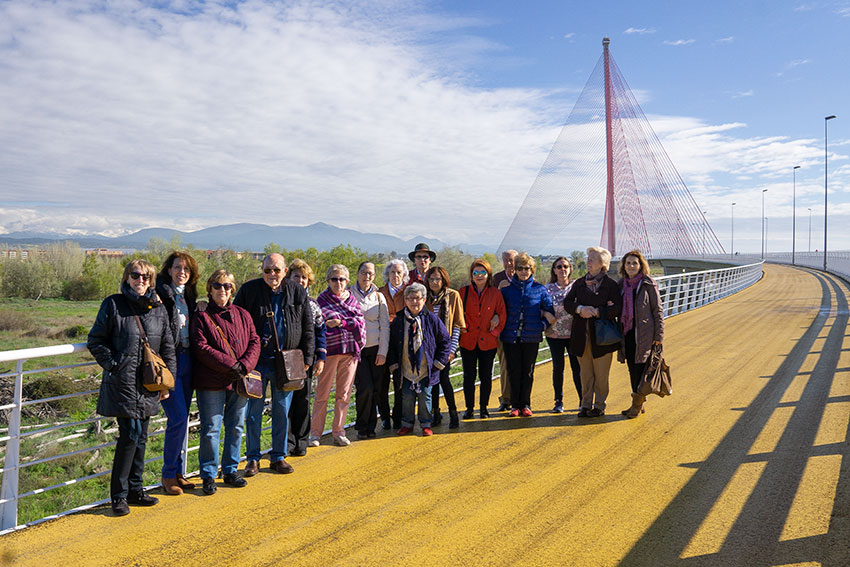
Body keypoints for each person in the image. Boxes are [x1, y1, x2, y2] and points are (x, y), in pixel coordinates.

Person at [88, 259, 176, 516]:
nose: (141, 281)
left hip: (149, 383)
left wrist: (166, 381)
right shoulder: (113, 304)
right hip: (123, 382)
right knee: (130, 436)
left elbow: (168, 347)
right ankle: (119, 496)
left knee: (142, 436)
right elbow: (96, 339)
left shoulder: (158, 308)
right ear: (127, 277)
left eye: (146, 277)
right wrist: (114, 364)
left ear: (152, 281)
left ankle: (136, 490)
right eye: (136, 276)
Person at [234, 253, 314, 476]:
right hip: (255, 363)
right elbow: (235, 321)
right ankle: (252, 459)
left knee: (281, 410)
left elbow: (308, 325)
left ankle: (278, 457)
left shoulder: (297, 291)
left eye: (276, 270)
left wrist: (308, 358)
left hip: (286, 362)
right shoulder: (249, 291)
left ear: (285, 271)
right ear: (262, 270)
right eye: (267, 270)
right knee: (253, 413)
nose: (272, 274)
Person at [191, 270, 260, 495]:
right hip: (211, 381)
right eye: (218, 286)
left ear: (233, 289)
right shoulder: (201, 315)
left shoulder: (243, 314)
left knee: (236, 426)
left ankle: (230, 470)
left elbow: (254, 340)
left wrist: (245, 365)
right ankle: (209, 475)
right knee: (211, 429)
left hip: (239, 379)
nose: (223, 290)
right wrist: (232, 365)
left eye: (228, 286)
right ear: (210, 289)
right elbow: (201, 347)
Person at [155, 251, 199, 496]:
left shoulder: (189, 296)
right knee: (178, 418)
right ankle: (168, 474)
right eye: (177, 267)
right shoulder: (160, 294)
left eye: (186, 269)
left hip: (189, 360)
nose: (182, 272)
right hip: (170, 362)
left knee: (182, 420)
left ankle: (179, 472)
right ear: (168, 270)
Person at [309, 264, 366, 446]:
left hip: (350, 352)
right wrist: (347, 323)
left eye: (342, 279)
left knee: (344, 394)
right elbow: (320, 323)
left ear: (347, 281)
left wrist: (341, 322)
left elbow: (359, 321)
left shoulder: (352, 300)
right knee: (322, 393)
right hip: (329, 353)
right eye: (334, 279)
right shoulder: (321, 300)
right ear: (328, 281)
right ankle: (315, 433)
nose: (338, 282)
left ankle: (338, 431)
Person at [564, 246, 622, 418]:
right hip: (582, 335)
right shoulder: (580, 283)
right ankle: (585, 405)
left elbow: (617, 308)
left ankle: (599, 405)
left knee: (601, 375)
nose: (587, 261)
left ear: (602, 264)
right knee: (586, 373)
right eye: (588, 258)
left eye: (592, 259)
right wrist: (580, 309)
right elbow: (567, 302)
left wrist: (599, 312)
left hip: (602, 337)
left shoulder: (610, 285)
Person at [387, 283, 451, 436]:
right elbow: (391, 344)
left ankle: (426, 423)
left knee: (425, 397)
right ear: (405, 300)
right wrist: (394, 365)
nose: (413, 302)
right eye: (410, 298)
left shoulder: (432, 319)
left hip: (425, 369)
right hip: (406, 368)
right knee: (407, 398)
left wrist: (438, 363)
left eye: (417, 298)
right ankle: (407, 423)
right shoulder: (399, 320)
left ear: (423, 299)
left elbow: (445, 341)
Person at [499, 253, 555, 417]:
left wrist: (540, 327)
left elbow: (550, 312)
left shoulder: (540, 290)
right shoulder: (507, 291)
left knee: (528, 372)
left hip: (531, 337)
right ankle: (514, 405)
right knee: (513, 370)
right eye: (520, 268)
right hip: (510, 338)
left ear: (532, 270)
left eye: (527, 268)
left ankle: (526, 404)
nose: (524, 271)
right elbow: (500, 313)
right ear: (515, 270)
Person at [286, 259, 327, 455]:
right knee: (285, 401)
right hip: (285, 359)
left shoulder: (313, 305)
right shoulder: (282, 300)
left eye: (304, 277)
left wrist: (320, 357)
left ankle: (301, 441)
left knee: (303, 400)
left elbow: (320, 331)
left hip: (306, 360)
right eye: (296, 276)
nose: (300, 280)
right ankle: (287, 442)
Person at [617, 250, 664, 418]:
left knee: (641, 368)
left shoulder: (647, 283)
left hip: (644, 334)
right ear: (624, 266)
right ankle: (638, 402)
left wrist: (659, 336)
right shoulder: (621, 284)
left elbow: (657, 310)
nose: (631, 266)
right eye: (628, 263)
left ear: (641, 265)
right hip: (628, 332)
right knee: (632, 368)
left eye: (634, 263)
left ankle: (636, 405)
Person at [458, 259, 506, 419]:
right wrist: (462, 329)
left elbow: (503, 314)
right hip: (468, 341)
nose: (479, 276)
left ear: (488, 275)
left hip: (488, 341)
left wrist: (495, 331)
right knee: (468, 376)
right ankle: (469, 408)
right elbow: (456, 315)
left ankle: (483, 408)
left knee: (486, 376)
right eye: (476, 273)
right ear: (471, 276)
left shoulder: (495, 293)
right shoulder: (462, 293)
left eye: (483, 272)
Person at [351, 262, 390, 439]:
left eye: (371, 274)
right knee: (364, 387)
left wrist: (383, 352)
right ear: (358, 273)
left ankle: (371, 427)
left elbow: (385, 326)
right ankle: (361, 425)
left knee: (375, 389)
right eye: (364, 272)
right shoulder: (349, 294)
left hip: (376, 350)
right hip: (357, 351)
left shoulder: (380, 297)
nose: (367, 276)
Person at [424, 266, 466, 428]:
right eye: (431, 279)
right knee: (432, 380)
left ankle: (453, 412)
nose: (434, 282)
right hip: (428, 347)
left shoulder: (452, 296)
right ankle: (436, 413)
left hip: (445, 346)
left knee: (444, 378)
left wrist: (451, 350)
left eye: (438, 279)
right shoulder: (424, 297)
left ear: (444, 280)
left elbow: (457, 324)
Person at [545, 256, 581, 413]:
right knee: (558, 368)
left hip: (574, 334)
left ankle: (583, 399)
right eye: (559, 267)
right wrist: (545, 314)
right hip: (554, 334)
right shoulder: (547, 289)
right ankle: (558, 401)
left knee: (577, 368)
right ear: (554, 270)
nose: (562, 269)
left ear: (570, 269)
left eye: (565, 266)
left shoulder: (577, 286)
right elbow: (539, 306)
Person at [378, 258, 410, 428]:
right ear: (387, 274)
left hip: (401, 343)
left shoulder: (408, 292)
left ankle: (398, 417)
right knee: (381, 383)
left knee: (399, 382)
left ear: (404, 274)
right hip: (382, 343)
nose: (396, 275)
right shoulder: (379, 292)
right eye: (392, 272)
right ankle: (384, 416)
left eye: (399, 272)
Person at [492, 249, 517, 411]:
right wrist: (499, 291)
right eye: (505, 260)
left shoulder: (524, 276)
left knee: (520, 365)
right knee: (504, 365)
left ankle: (520, 399)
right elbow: (491, 303)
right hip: (502, 328)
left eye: (511, 260)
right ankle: (506, 398)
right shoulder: (497, 279)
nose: (509, 263)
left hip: (520, 328)